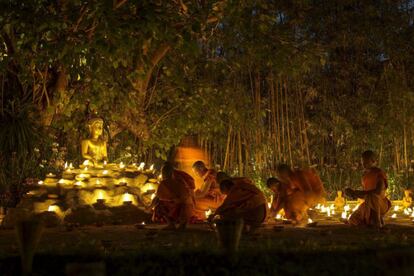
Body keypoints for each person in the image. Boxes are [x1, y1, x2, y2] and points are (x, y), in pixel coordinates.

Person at [345, 150, 391, 228]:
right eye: (362, 162)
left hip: (379, 203)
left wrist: (357, 192)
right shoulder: (365, 175)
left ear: (373, 160)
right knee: (353, 219)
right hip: (368, 203)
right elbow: (365, 194)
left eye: (366, 162)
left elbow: (378, 192)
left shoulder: (379, 173)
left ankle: (377, 221)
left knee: (372, 196)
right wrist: (353, 193)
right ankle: (371, 221)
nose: (363, 164)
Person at [153, 162, 195, 230]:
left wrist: (149, 206)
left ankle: (171, 224)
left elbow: (159, 196)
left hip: (179, 206)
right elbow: (187, 193)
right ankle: (182, 223)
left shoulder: (163, 183)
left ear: (163, 173)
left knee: (159, 205)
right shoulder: (180, 181)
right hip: (188, 206)